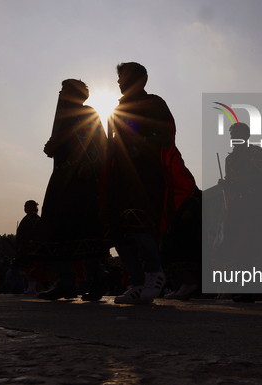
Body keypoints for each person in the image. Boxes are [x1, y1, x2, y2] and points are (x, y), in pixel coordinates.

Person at [106, 62, 176, 304]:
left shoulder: (154, 103)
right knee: (118, 228)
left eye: (123, 76)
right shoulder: (116, 109)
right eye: (118, 78)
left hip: (145, 173)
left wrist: (139, 144)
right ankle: (136, 281)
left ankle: (154, 273)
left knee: (139, 222)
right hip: (122, 174)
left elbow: (165, 135)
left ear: (142, 78)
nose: (118, 82)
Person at [36, 79, 110, 301]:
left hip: (83, 179)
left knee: (85, 229)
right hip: (62, 178)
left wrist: (92, 164)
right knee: (53, 228)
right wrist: (52, 146)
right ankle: (66, 282)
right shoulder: (63, 119)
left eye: (65, 89)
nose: (61, 93)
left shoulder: (87, 113)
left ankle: (98, 279)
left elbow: (99, 144)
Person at [217, 122, 262, 302]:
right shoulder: (229, 159)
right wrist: (226, 185)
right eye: (232, 133)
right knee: (238, 245)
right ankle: (243, 288)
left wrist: (244, 180)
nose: (233, 137)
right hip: (238, 206)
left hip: (256, 205)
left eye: (237, 133)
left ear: (246, 135)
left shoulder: (255, 153)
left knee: (257, 243)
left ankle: (261, 288)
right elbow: (231, 183)